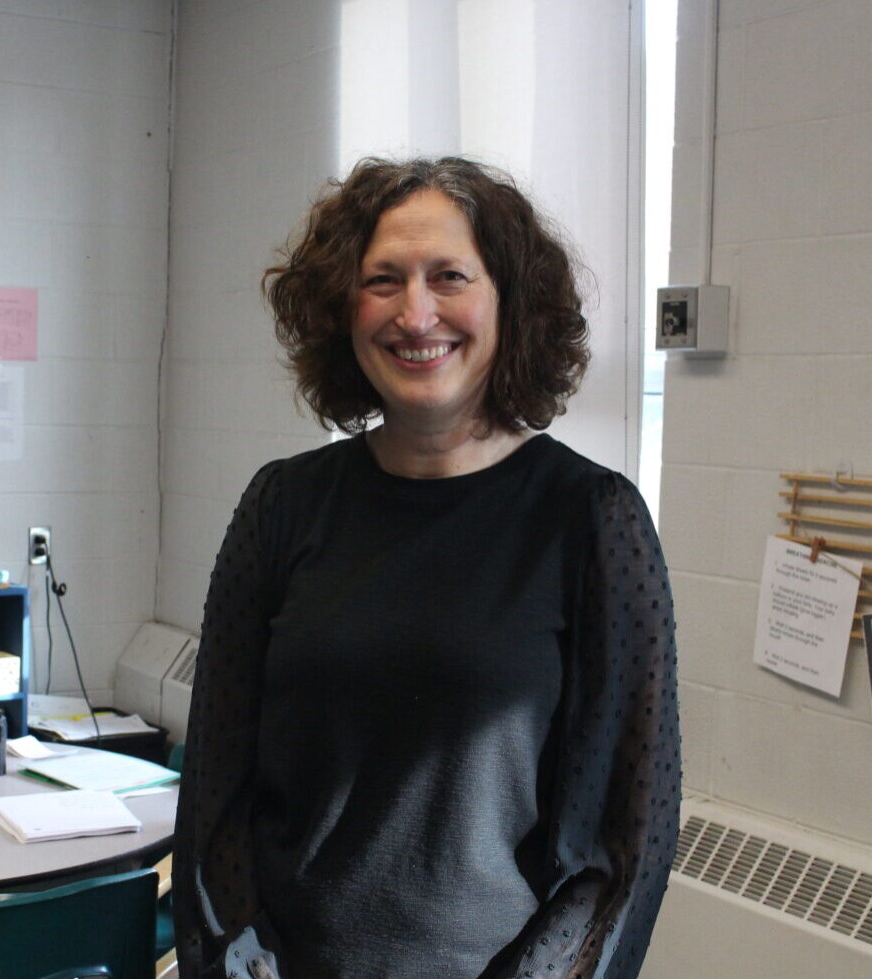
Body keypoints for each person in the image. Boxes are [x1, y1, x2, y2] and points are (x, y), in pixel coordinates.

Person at [173, 157, 680, 979]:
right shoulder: (280, 507)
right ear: (343, 308)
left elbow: (624, 843)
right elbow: (215, 799)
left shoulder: (594, 522)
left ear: (508, 302)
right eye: (382, 280)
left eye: (450, 276)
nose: (416, 314)